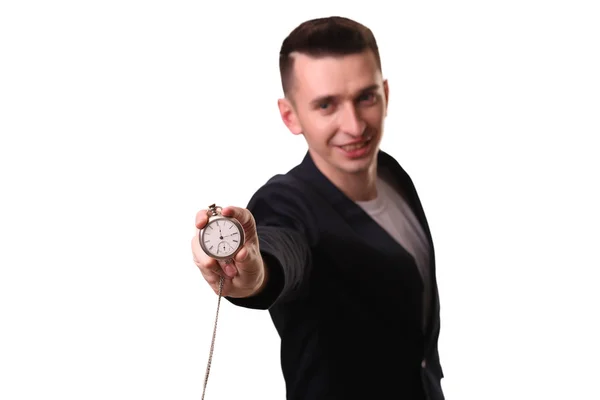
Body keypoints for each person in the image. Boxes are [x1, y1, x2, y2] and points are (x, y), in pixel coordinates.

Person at [192, 16, 445, 400]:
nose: (355, 125)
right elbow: (280, 252)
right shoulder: (285, 202)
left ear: (386, 94)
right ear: (290, 115)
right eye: (326, 105)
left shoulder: (394, 174)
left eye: (366, 97)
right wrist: (253, 273)